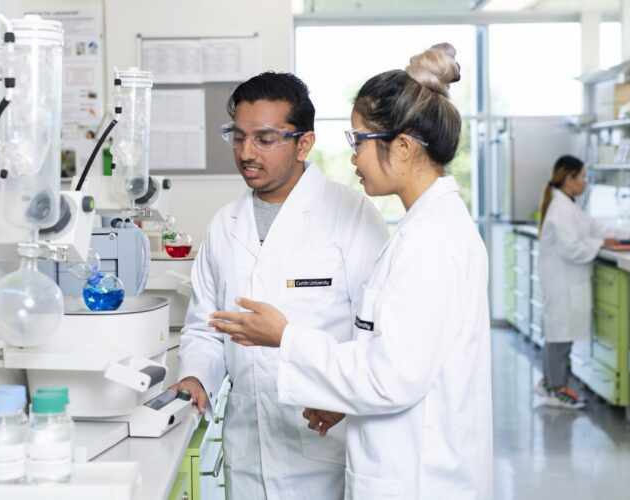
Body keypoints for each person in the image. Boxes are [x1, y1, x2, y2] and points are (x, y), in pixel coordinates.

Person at [208, 43, 493, 500]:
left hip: (418, 476)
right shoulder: (421, 230)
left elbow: (390, 376)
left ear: (401, 147)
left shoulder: (430, 242)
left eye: (359, 141)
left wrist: (287, 337)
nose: (354, 158)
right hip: (402, 464)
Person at [170, 72, 389, 499]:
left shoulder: (353, 216)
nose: (246, 153)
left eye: (265, 139)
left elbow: (379, 334)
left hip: (326, 448)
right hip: (248, 450)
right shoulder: (224, 225)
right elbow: (205, 328)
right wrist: (195, 377)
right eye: (238, 137)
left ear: (303, 143)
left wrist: (344, 398)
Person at [535, 155, 630, 410]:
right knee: (559, 337)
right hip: (562, 282)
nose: (585, 182)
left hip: (566, 281)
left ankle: (551, 382)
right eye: (582, 176)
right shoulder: (560, 210)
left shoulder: (568, 205)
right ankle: (556, 390)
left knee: (559, 335)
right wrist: (600, 244)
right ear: (568, 179)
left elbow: (596, 229)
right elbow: (571, 249)